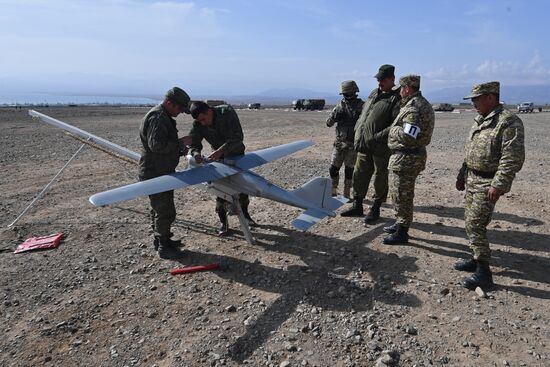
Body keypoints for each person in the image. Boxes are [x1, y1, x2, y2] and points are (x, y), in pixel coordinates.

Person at [455, 81, 525, 290]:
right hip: (472, 179)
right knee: (470, 221)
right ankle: (476, 258)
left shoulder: (508, 122)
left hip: (488, 182)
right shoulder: (480, 119)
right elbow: (471, 151)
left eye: (476, 99)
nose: (474, 103)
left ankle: (484, 273)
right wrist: (462, 174)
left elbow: (512, 158)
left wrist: (499, 184)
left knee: (475, 224)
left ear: (490, 98)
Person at [341, 64, 401, 223]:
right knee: (359, 174)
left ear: (392, 79)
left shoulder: (396, 97)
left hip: (380, 147)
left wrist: (377, 136)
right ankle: (357, 205)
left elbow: (396, 124)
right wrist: (358, 134)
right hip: (363, 144)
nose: (380, 82)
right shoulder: (374, 93)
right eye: (378, 79)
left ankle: (375, 208)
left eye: (383, 79)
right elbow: (364, 116)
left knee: (380, 177)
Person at [138, 87, 192, 258]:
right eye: (179, 108)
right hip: (155, 172)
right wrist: (179, 143)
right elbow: (157, 145)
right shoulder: (158, 117)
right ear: (169, 103)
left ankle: (162, 240)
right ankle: (163, 247)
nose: (181, 113)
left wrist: (178, 150)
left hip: (159, 169)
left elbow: (160, 146)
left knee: (159, 208)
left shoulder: (163, 115)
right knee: (164, 210)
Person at [188, 101, 254, 236]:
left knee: (242, 187)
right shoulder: (198, 123)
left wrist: (222, 150)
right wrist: (196, 154)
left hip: (236, 155)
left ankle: (246, 216)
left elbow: (237, 137)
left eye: (203, 119)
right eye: (199, 121)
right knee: (220, 191)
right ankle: (223, 223)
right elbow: (194, 144)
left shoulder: (226, 112)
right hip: (218, 160)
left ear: (209, 111)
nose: (203, 123)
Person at [383, 75, 434, 244]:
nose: (400, 92)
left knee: (402, 194)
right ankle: (399, 223)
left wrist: (393, 130)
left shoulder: (413, 108)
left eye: (401, 89)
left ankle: (402, 232)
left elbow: (409, 137)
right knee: (400, 193)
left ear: (407, 88)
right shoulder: (420, 103)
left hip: (407, 158)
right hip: (408, 157)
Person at [326, 80, 364, 199]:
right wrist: (334, 118)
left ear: (355, 92)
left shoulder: (362, 106)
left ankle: (347, 194)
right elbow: (328, 123)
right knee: (333, 169)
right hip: (339, 145)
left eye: (350, 93)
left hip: (353, 146)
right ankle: (333, 191)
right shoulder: (339, 107)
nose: (348, 96)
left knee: (349, 171)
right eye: (346, 94)